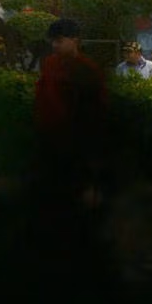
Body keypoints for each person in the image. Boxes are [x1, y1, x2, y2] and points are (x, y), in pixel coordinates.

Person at [33, 18, 108, 204]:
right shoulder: (49, 63)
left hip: (76, 141)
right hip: (49, 138)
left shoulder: (89, 70)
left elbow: (96, 112)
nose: (54, 45)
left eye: (59, 40)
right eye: (52, 41)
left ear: (75, 40)